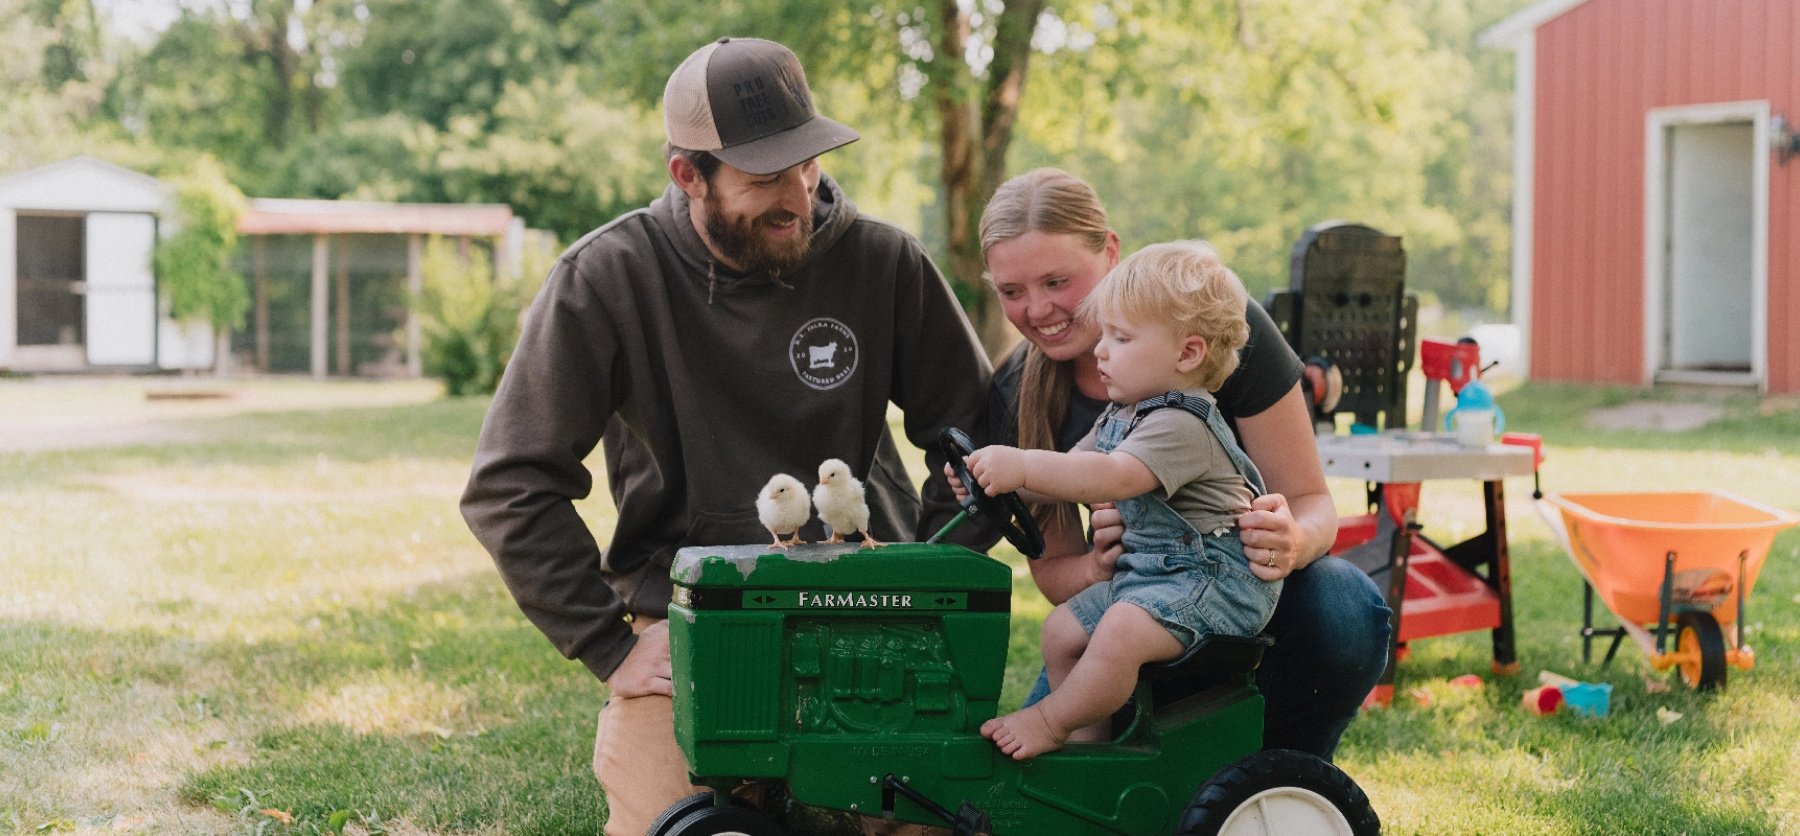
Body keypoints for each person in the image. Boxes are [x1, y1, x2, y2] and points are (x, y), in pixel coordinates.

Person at [459, 37, 992, 836]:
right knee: (676, 826)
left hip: (863, 601)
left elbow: (973, 443)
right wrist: (611, 647)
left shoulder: (883, 263)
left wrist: (926, 580)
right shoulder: (607, 277)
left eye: (806, 164)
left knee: (927, 818)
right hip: (692, 622)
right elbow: (509, 483)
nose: (799, 194)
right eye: (765, 176)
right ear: (688, 174)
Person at [976, 168, 1391, 760]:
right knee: (1068, 638)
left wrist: (1291, 538)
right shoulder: (1020, 386)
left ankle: (1282, 772)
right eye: (1011, 291)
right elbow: (1054, 567)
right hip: (1136, 593)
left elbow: (1312, 500)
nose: (1037, 309)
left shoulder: (1213, 330)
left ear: (1111, 251)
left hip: (1227, 586)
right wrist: (1096, 566)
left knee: (1343, 605)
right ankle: (1085, 775)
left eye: (1057, 281)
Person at [961, 241, 1280, 759]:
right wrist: (1000, 482)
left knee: (1121, 630)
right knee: (1063, 630)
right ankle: (1091, 758)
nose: (1101, 351)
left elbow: (1104, 476)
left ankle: (1052, 721)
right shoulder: (1125, 414)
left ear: (1188, 352)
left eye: (1121, 337)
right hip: (1153, 577)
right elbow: (1065, 476)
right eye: (1103, 334)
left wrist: (1020, 463)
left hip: (1215, 584)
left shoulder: (1182, 423)